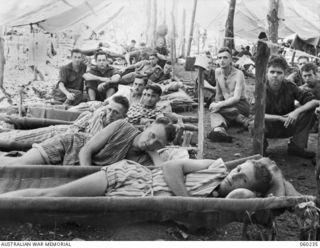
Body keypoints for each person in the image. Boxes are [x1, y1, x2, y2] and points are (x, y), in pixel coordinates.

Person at [0, 157, 287, 199]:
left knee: (58, 204)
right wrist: (186, 202)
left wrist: (275, 172)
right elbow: (172, 167)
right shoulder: (215, 166)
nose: (234, 176)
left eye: (242, 178)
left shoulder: (234, 201)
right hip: (132, 175)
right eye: (239, 169)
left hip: (135, 197)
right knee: (51, 196)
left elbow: (282, 192)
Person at [4, 117, 176, 167]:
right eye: (152, 135)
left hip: (79, 166)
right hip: (70, 145)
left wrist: (153, 151)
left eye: (158, 143)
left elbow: (161, 172)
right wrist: (85, 174)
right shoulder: (122, 126)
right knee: (20, 165)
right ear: (147, 126)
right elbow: (86, 150)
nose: (151, 142)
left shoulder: (145, 160)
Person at [0, 96, 130, 151]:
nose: (110, 114)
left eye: (115, 112)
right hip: (62, 134)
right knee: (20, 137)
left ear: (123, 117)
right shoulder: (99, 115)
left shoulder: (118, 131)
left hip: (66, 141)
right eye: (109, 110)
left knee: (20, 141)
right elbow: (77, 126)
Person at [263, 55, 316, 158]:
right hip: (268, 127)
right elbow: (254, 115)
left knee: (310, 111)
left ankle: (296, 147)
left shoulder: (290, 86)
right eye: (272, 72)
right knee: (253, 123)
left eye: (279, 73)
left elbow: (313, 101)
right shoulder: (260, 88)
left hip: (288, 125)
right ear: (267, 73)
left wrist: (295, 112)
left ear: (285, 74)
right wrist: (279, 118)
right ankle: (261, 149)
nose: (275, 75)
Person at [207, 47, 250, 143]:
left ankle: (240, 119)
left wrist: (219, 105)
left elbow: (236, 98)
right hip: (228, 106)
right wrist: (215, 104)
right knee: (214, 111)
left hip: (240, 105)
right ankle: (219, 131)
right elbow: (218, 94)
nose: (222, 60)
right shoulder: (217, 72)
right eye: (220, 58)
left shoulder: (239, 74)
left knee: (218, 109)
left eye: (225, 58)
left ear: (231, 59)